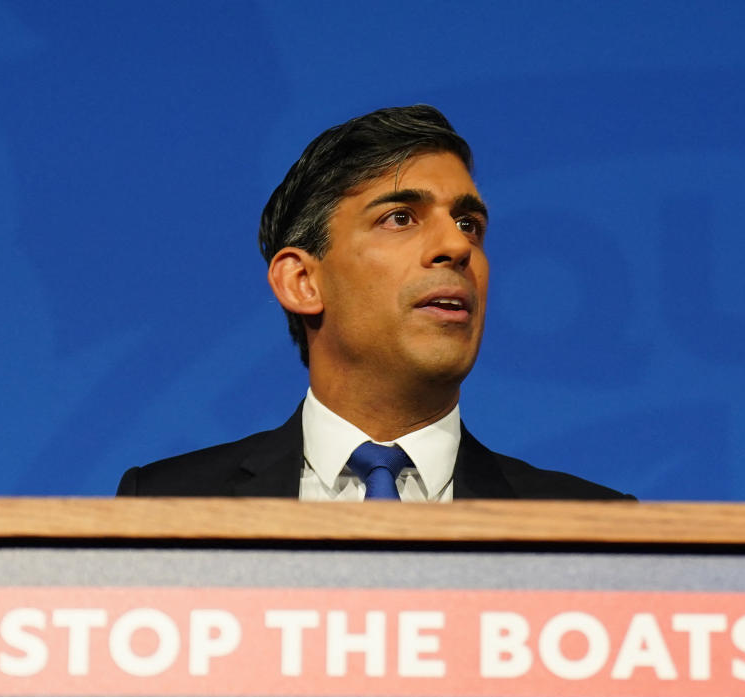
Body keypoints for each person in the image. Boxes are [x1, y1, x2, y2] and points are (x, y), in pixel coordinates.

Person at [118, 105, 631, 501]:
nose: (456, 247)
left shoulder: (597, 530)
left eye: (468, 225)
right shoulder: (167, 501)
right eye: (401, 218)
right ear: (301, 281)